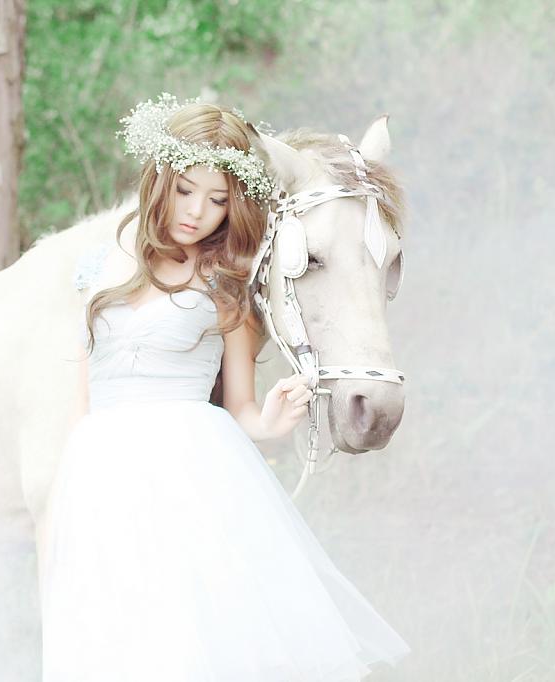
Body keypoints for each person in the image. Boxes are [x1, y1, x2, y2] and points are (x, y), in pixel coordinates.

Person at [40, 93, 410, 681]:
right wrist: (65, 492)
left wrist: (272, 418)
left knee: (191, 627)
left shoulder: (224, 285)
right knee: (116, 628)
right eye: (185, 189)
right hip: (102, 470)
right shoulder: (102, 268)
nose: (196, 212)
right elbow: (82, 402)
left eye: (217, 201)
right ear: (161, 180)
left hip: (188, 463)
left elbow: (238, 406)